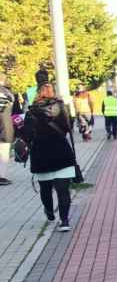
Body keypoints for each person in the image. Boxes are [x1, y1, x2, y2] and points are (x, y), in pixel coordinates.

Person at [20, 84, 76, 232]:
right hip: (62, 152)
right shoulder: (62, 108)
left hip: (41, 154)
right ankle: (64, 221)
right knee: (63, 190)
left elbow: (26, 134)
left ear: (38, 94)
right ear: (53, 93)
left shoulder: (31, 112)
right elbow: (69, 126)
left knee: (45, 188)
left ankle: (50, 213)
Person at [0, 73, 19, 187]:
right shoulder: (8, 93)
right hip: (5, 127)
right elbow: (14, 111)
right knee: (3, 153)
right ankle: (1, 176)